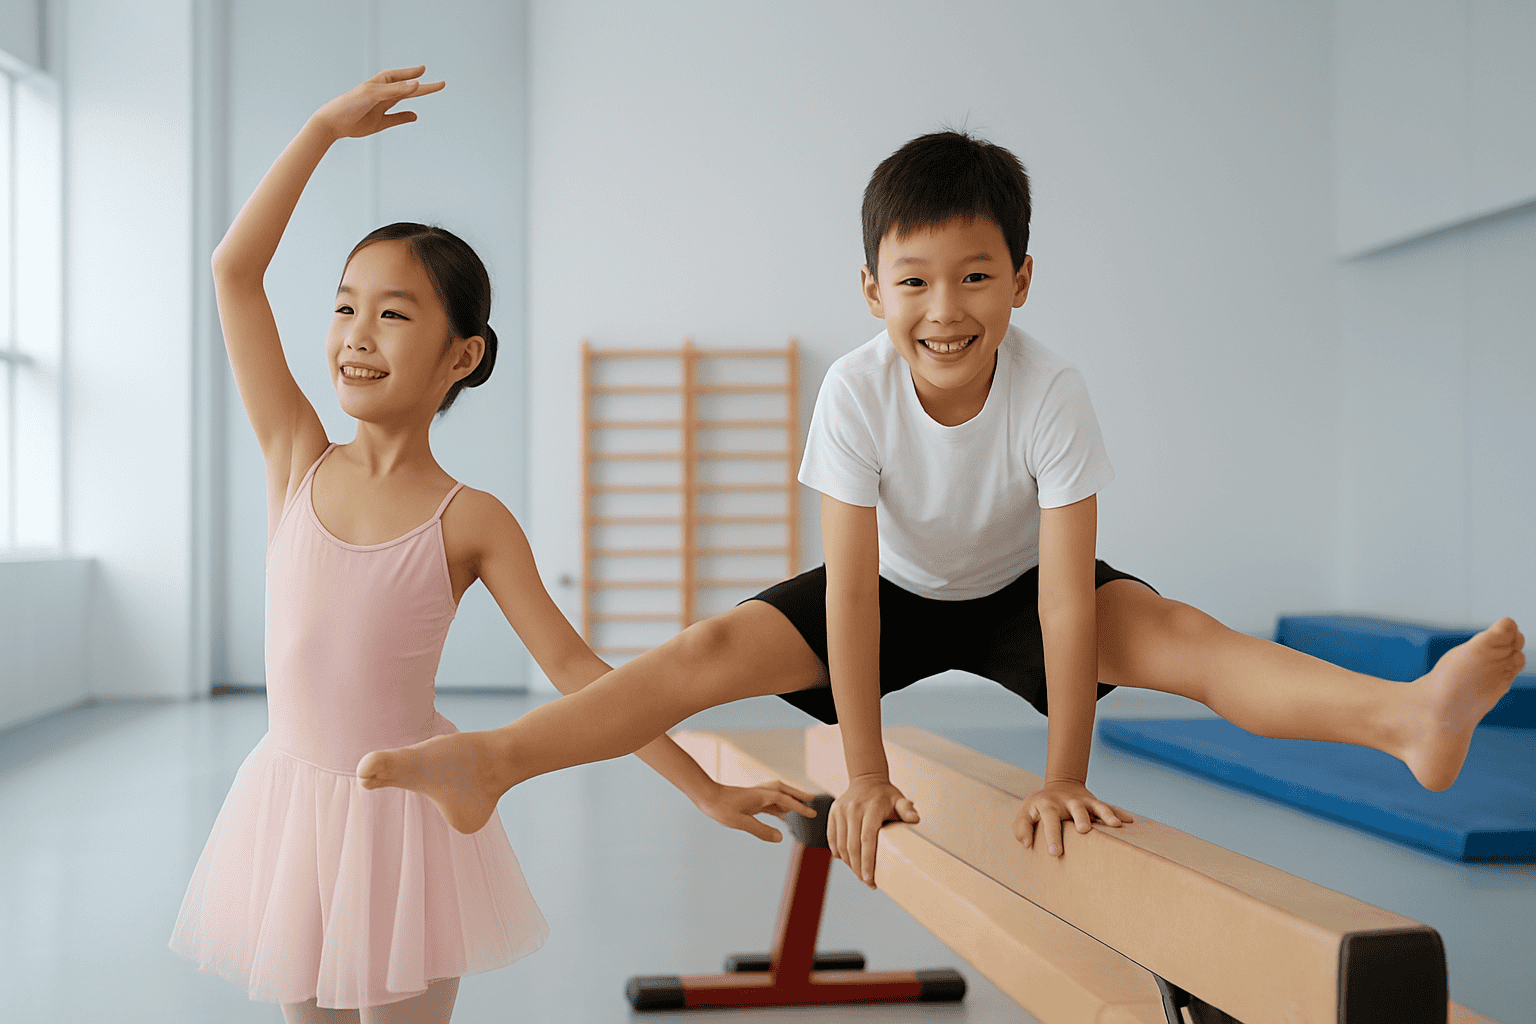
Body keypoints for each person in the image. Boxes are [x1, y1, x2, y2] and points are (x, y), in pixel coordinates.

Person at [356, 130, 1526, 895]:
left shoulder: (1051, 390)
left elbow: (1069, 600)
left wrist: (1062, 769)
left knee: (1192, 644)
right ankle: (497, 761)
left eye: (975, 277)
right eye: (913, 281)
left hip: (1023, 591)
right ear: (873, 291)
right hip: (892, 593)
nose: (945, 309)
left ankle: (1405, 720)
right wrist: (860, 771)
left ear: (1022, 276)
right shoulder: (856, 389)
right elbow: (853, 595)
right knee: (709, 650)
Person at [169, 67, 813, 1024]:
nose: (357, 334)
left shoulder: (470, 519)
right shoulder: (295, 456)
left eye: (394, 314)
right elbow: (234, 271)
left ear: (461, 355)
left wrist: (702, 786)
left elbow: (577, 669)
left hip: (413, 824)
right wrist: (320, 131)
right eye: (346, 306)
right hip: (294, 814)